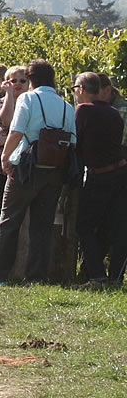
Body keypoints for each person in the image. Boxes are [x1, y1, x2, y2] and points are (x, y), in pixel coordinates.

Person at [0, 59, 76, 285]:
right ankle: (36, 276)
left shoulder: (28, 99)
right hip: (55, 169)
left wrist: (5, 158)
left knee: (9, 220)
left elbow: (16, 132)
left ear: (31, 80)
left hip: (26, 168)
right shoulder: (67, 106)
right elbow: (72, 140)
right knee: (42, 226)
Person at [71, 73, 127, 286]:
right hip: (120, 172)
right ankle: (116, 277)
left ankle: (97, 275)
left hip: (99, 175)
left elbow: (76, 141)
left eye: (75, 88)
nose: (75, 92)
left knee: (84, 226)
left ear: (83, 89)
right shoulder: (113, 112)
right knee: (118, 227)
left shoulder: (83, 111)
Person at [0, 67, 28, 251]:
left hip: (22, 166)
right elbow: (6, 122)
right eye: (12, 80)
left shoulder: (31, 104)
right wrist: (9, 96)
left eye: (22, 81)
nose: (17, 84)